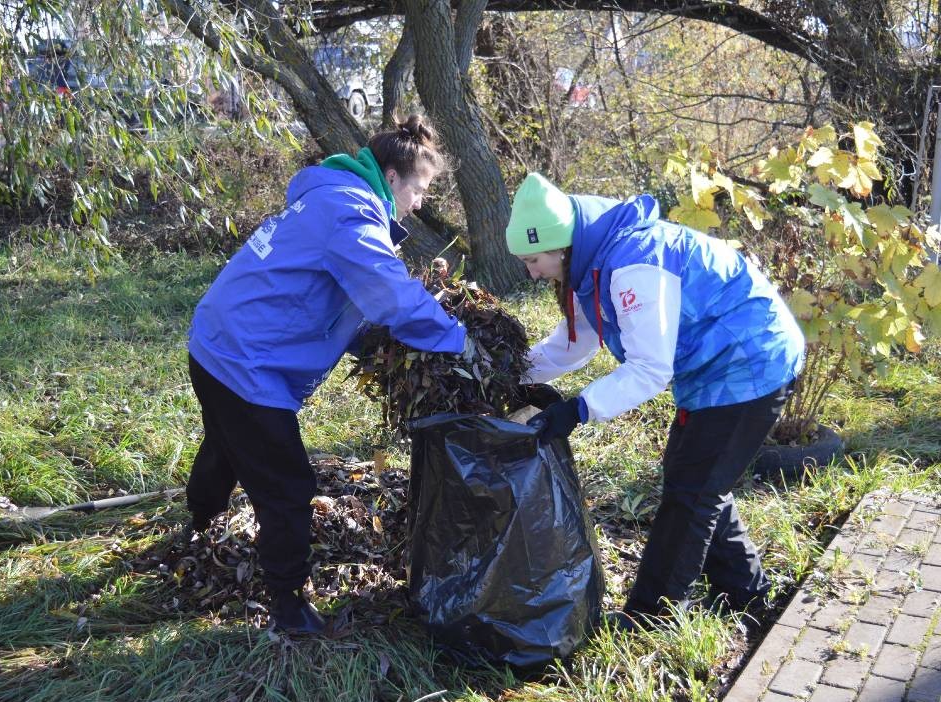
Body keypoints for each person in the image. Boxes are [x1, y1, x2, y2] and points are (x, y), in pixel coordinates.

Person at [185, 115, 468, 635]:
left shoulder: (332, 196)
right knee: (289, 485)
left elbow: (327, 294)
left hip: (215, 344)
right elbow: (388, 292)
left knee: (227, 444)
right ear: (392, 174)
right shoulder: (351, 212)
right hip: (247, 361)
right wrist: (457, 339)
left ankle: (198, 528)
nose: (421, 202)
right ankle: (288, 607)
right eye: (420, 189)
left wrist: (367, 344)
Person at [506, 172, 805, 628]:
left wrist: (578, 409)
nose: (532, 272)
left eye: (535, 260)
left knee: (691, 490)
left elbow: (649, 367)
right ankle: (746, 592)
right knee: (695, 477)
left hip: (750, 360)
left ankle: (652, 617)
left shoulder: (632, 265)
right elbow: (571, 345)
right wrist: (507, 374)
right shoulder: (591, 264)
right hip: (714, 365)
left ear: (562, 246)